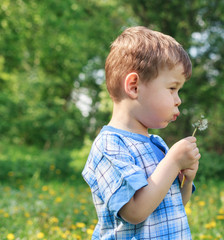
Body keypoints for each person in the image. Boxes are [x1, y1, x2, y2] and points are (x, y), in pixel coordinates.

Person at [82, 26, 200, 240]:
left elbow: (171, 207)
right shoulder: (109, 146)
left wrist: (187, 181)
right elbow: (134, 212)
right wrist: (173, 162)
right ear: (134, 87)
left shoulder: (156, 143)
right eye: (172, 88)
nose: (178, 99)